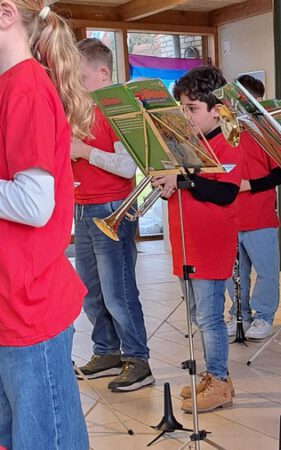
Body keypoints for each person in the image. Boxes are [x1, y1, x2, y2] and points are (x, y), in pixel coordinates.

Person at [0, 1, 94, 447]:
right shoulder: (10, 85)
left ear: (6, 14)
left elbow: (35, 205)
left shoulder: (28, 89)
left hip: (29, 305)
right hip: (10, 302)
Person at [151, 65, 242, 413]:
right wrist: (167, 182)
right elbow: (178, 189)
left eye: (192, 109)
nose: (185, 117)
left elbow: (225, 193)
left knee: (209, 317)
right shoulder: (187, 144)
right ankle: (213, 375)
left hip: (210, 240)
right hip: (185, 238)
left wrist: (183, 177)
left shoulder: (229, 141)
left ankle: (218, 380)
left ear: (216, 109)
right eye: (182, 109)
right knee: (195, 314)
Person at [73, 37, 154, 392]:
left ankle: (137, 359)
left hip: (112, 207)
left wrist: (84, 151)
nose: (71, 84)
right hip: (83, 206)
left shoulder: (119, 109)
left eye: (78, 76)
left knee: (118, 291)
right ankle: (106, 351)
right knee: (90, 291)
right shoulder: (80, 109)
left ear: (102, 73)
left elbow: (128, 166)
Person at [225, 74, 281, 340]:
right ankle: (239, 314)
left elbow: (280, 175)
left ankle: (263, 316)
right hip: (231, 215)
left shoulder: (266, 134)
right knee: (233, 274)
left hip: (260, 216)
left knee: (266, 272)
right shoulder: (227, 133)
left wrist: (250, 185)